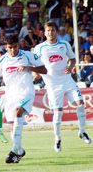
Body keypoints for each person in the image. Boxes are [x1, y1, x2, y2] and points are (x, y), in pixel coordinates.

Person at [0, 35, 47, 163]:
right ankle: (19, 151)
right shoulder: (2, 60)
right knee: (13, 128)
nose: (13, 50)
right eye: (10, 48)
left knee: (18, 111)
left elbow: (44, 69)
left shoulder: (28, 55)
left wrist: (29, 68)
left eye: (15, 47)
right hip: (11, 96)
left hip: (26, 93)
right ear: (6, 48)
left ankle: (13, 151)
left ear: (18, 45)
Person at [34, 21, 92, 153]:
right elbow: (35, 63)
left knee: (81, 104)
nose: (50, 33)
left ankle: (82, 132)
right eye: (48, 30)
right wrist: (35, 74)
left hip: (67, 81)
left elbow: (72, 59)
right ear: (45, 32)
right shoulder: (40, 48)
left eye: (53, 30)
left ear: (56, 31)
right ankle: (58, 139)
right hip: (52, 85)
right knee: (58, 113)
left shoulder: (64, 44)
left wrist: (70, 67)